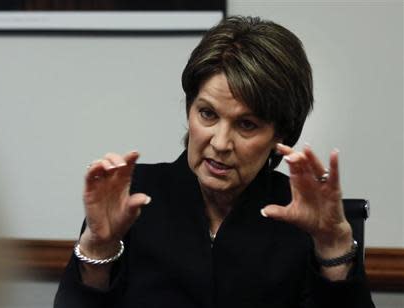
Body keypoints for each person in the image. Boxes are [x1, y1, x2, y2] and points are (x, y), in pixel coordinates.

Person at [54, 16, 375, 308]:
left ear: (282, 134)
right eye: (207, 114)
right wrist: (99, 247)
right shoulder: (130, 197)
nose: (220, 143)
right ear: (189, 109)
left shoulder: (305, 216)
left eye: (247, 124)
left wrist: (332, 246)